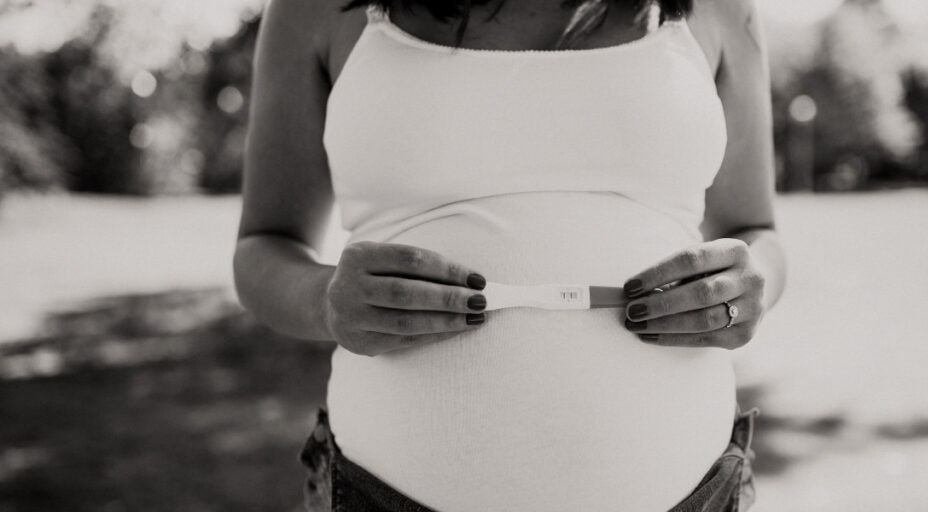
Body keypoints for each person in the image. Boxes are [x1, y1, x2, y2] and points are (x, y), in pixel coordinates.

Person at [234, 0, 786, 510]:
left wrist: (746, 284)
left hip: (695, 493)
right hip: (378, 493)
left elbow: (754, 229)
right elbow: (264, 245)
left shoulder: (719, 8)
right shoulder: (316, 9)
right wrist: (323, 300)